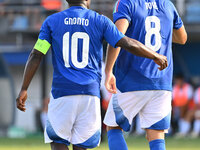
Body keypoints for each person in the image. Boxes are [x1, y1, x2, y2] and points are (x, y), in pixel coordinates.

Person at [16, 0, 168, 150]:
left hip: (62, 93)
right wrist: (154, 55)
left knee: (58, 142)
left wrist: (24, 88)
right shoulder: (100, 20)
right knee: (81, 145)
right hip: (90, 95)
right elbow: (127, 42)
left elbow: (36, 54)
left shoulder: (52, 21)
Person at [103, 0, 187, 150]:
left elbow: (117, 37)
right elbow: (182, 38)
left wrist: (108, 71)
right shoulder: (168, 5)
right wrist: (163, 33)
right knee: (156, 135)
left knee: (113, 127)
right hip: (162, 81)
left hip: (132, 78)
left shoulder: (126, 3)